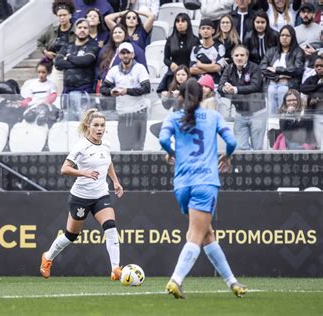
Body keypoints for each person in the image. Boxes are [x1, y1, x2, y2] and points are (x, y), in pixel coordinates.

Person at [158, 78, 247, 300]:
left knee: (207, 233)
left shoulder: (173, 116)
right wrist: (226, 157)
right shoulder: (214, 117)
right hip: (205, 182)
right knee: (197, 234)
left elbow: (162, 139)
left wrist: (172, 153)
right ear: (202, 97)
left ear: (180, 95)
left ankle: (232, 282)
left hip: (181, 183)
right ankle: (175, 280)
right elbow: (233, 142)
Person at [40, 108, 124, 280]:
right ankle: (47, 257)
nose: (100, 129)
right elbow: (64, 169)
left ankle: (115, 270)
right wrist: (84, 173)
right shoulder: (81, 146)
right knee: (71, 235)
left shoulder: (106, 144)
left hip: (101, 195)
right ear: (88, 126)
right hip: (80, 197)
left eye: (102, 126)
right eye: (96, 125)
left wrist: (115, 181)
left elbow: (107, 163)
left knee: (111, 227)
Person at [100, 42, 150, 150]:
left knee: (138, 148)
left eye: (128, 53)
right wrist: (111, 92)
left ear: (132, 54)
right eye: (123, 53)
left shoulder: (140, 68)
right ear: (119, 55)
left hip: (139, 112)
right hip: (123, 113)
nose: (125, 55)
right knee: (124, 148)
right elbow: (103, 88)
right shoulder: (114, 70)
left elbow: (146, 88)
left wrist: (127, 91)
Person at [218, 45, 264, 150]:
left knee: (257, 148)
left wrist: (235, 89)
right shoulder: (229, 68)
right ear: (232, 57)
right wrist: (226, 88)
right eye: (236, 55)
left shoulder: (255, 68)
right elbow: (220, 86)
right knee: (241, 147)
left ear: (247, 57)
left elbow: (255, 86)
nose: (239, 58)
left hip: (257, 112)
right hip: (240, 113)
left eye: (242, 55)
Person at [54, 18, 99, 120]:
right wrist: (78, 62)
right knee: (69, 126)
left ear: (89, 30)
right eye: (79, 27)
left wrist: (69, 58)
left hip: (84, 93)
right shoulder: (67, 46)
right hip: (67, 92)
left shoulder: (92, 46)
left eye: (85, 28)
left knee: (84, 126)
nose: (82, 30)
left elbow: (87, 60)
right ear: (75, 30)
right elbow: (58, 63)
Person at [261, 25, 305, 114]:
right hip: (271, 84)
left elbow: (297, 69)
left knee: (284, 111)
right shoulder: (271, 51)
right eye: (282, 35)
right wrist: (278, 76)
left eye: (287, 35)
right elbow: (262, 68)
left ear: (292, 37)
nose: (284, 38)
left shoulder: (298, 51)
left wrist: (277, 69)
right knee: (271, 112)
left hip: (288, 86)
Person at [37, 0, 75, 96]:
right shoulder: (52, 30)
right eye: (59, 15)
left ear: (70, 15)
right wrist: (45, 52)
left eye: (64, 15)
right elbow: (39, 41)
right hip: (56, 65)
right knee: (56, 93)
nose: (62, 18)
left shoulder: (76, 30)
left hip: (72, 64)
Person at [160, 13, 199, 91]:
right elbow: (166, 59)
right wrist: (171, 64)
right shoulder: (170, 39)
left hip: (191, 75)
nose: (180, 24)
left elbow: (198, 58)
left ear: (188, 23)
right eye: (177, 21)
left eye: (183, 21)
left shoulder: (195, 40)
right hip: (174, 75)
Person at [20, 61, 61, 128]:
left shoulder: (51, 84)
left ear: (48, 72)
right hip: (34, 106)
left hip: (45, 105)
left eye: (43, 72)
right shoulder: (32, 84)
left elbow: (53, 95)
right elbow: (29, 98)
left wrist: (47, 101)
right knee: (28, 115)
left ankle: (42, 118)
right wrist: (23, 103)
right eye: (39, 72)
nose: (41, 75)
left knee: (42, 109)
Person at [189, 19, 226, 84]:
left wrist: (200, 65)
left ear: (213, 31)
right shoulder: (195, 49)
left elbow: (218, 67)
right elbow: (192, 70)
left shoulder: (219, 47)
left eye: (208, 28)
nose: (205, 31)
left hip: (215, 82)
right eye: (203, 28)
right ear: (199, 31)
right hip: (199, 82)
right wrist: (211, 67)